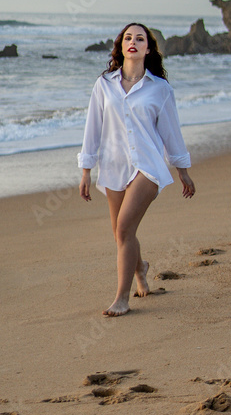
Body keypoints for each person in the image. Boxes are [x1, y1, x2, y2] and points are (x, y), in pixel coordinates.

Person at [78, 22, 195, 316]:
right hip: (114, 166)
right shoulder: (104, 85)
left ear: (148, 48)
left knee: (124, 228)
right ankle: (140, 268)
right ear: (121, 47)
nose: (133, 41)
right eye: (128, 37)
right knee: (121, 235)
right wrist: (86, 169)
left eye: (139, 38)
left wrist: (182, 169)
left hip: (148, 165)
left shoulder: (160, 89)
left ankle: (121, 298)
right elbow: (92, 127)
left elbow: (171, 131)